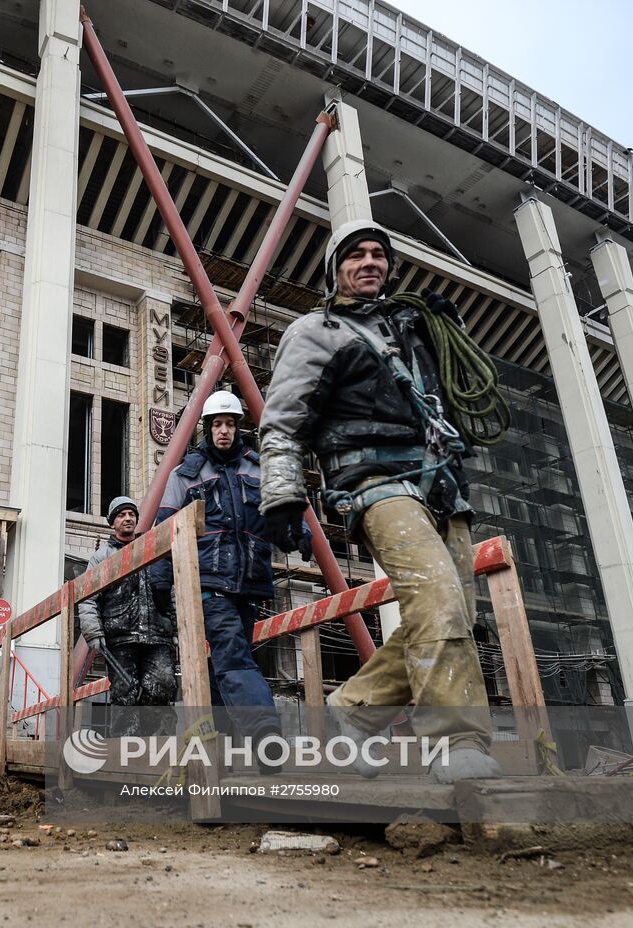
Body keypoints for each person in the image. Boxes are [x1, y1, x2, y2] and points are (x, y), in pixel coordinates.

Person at [257, 218, 502, 783]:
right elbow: (282, 422)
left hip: (441, 482)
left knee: (452, 613)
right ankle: (456, 742)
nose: (370, 262)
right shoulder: (313, 333)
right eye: (356, 254)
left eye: (379, 254)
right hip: (371, 479)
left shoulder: (412, 326)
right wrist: (283, 497)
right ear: (334, 268)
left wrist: (447, 324)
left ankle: (356, 707)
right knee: (438, 599)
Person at [151, 392, 280, 733]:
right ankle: (264, 730)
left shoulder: (258, 469)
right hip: (209, 583)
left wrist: (299, 530)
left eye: (230, 424)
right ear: (207, 429)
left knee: (226, 660)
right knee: (233, 651)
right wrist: (160, 581)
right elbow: (164, 529)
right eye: (217, 424)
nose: (224, 430)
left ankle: (223, 736)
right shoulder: (186, 474)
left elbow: (281, 512)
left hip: (249, 583)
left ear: (239, 428)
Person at [77, 496, 177, 723]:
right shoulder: (101, 557)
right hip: (120, 637)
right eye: (122, 515)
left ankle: (155, 748)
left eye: (131, 514)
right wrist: (93, 632)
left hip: (157, 636)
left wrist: (176, 629)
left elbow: (169, 591)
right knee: (125, 694)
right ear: (113, 522)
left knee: (162, 686)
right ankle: (124, 751)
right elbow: (88, 597)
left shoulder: (152, 551)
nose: (128, 518)